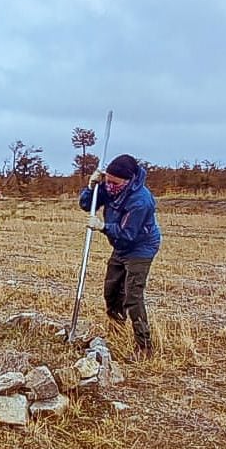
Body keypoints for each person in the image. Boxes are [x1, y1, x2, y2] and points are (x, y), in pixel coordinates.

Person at [80, 154, 162, 361]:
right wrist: (91, 188)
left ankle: (144, 347)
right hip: (121, 247)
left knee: (132, 297)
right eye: (107, 180)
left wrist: (103, 226)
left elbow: (128, 233)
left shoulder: (141, 200)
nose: (109, 185)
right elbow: (87, 205)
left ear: (128, 181)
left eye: (114, 182)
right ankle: (116, 333)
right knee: (112, 291)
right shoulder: (110, 188)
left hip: (140, 247)